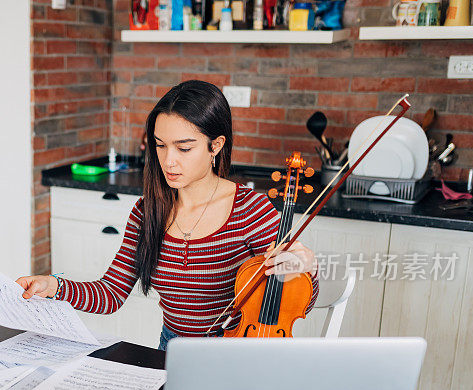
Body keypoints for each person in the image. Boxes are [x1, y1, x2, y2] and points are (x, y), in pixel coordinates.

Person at [17, 80, 318, 350]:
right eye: (160, 146)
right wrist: (54, 287)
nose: (169, 161)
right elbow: (110, 293)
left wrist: (307, 267)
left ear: (216, 145)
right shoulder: (147, 212)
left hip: (237, 353)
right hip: (171, 351)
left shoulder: (250, 210)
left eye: (184, 148)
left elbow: (296, 299)